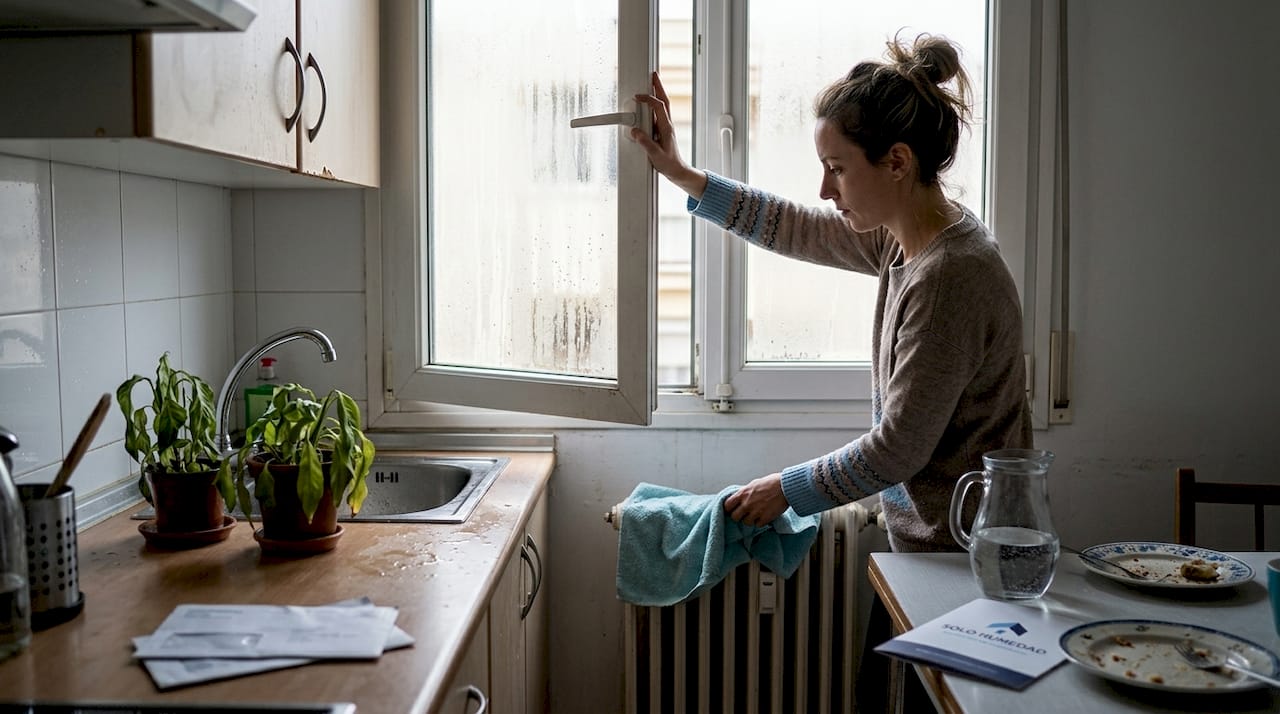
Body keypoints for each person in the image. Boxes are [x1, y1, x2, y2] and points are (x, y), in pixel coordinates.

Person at [631, 33, 1032, 555]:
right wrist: (683, 175)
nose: (825, 189)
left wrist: (784, 490)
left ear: (896, 161)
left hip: (971, 559)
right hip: (942, 549)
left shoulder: (949, 279)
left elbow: (896, 451)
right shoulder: (906, 238)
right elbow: (795, 227)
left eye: (837, 169)